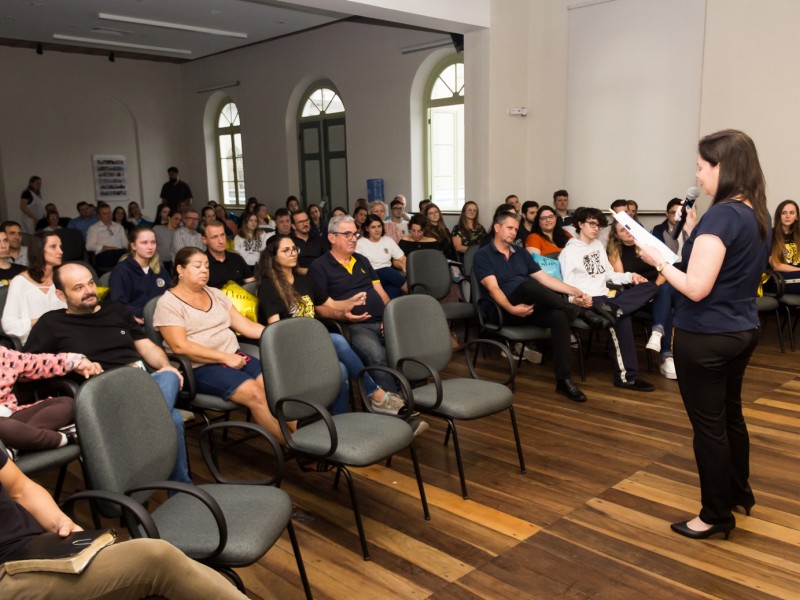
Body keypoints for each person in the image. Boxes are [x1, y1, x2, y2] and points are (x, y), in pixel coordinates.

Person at [637, 129, 771, 540]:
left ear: (722, 167)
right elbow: (722, 268)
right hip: (742, 328)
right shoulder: (755, 212)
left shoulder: (721, 216)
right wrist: (695, 232)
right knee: (731, 417)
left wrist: (658, 261)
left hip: (707, 335)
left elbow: (695, 287)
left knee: (709, 429)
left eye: (701, 167)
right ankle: (737, 493)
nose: (697, 174)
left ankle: (714, 515)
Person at [24, 263, 190, 484]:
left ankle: (135, 424)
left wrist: (165, 365)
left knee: (168, 376)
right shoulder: (51, 323)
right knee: (173, 419)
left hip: (140, 384)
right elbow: (27, 368)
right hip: (102, 395)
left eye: (91, 283)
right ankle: (180, 486)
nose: (89, 291)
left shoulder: (116, 310)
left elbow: (146, 346)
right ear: (61, 295)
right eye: (79, 288)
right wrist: (70, 364)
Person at [0, 455, 249, 599]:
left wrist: (62, 522)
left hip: (37, 547)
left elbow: (20, 487)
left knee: (169, 576)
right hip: (6, 572)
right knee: (156, 559)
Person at [256, 235, 406, 416]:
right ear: (273, 257)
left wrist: (352, 301)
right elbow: (275, 330)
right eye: (286, 250)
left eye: (294, 249)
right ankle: (374, 392)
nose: (293, 253)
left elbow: (333, 304)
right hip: (290, 348)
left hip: (313, 342)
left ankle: (339, 420)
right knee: (337, 339)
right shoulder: (269, 287)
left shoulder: (304, 281)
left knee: (341, 370)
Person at [154, 247, 287, 443]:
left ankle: (302, 440)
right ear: (180, 270)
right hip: (199, 367)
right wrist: (225, 357)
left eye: (207, 266)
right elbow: (180, 347)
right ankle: (292, 446)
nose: (204, 270)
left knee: (276, 387)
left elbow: (247, 326)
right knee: (255, 393)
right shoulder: (168, 303)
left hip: (234, 356)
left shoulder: (215, 294)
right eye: (197, 266)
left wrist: (281, 337)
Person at [473, 211, 609, 402]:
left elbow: (545, 279)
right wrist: (511, 309)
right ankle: (581, 313)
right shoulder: (483, 255)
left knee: (559, 316)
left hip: (528, 307)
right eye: (509, 228)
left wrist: (575, 291)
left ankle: (564, 381)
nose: (513, 232)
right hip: (502, 311)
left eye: (516, 229)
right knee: (528, 285)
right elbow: (493, 289)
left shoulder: (520, 253)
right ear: (497, 227)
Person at [559, 207, 657, 391]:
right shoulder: (569, 252)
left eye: (598, 225)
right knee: (622, 319)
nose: (596, 229)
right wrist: (575, 300)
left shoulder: (597, 245)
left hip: (607, 298)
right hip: (590, 300)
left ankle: (615, 308)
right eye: (592, 224)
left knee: (651, 287)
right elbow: (567, 286)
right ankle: (626, 378)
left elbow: (609, 275)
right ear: (580, 224)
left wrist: (631, 276)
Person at [308, 215, 397, 393]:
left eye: (355, 234)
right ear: (332, 237)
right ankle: (393, 400)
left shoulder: (362, 260)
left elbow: (381, 292)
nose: (353, 239)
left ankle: (413, 392)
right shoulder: (319, 266)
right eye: (347, 234)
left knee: (407, 345)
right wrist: (342, 315)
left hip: (382, 321)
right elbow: (319, 309)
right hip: (354, 326)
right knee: (377, 356)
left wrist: (389, 318)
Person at [607, 222, 676, 379]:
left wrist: (654, 289)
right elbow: (621, 279)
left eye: (629, 228)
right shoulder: (614, 251)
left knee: (664, 292)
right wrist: (649, 291)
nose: (627, 232)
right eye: (622, 230)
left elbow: (663, 270)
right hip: (637, 296)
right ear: (617, 235)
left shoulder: (649, 247)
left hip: (657, 290)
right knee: (665, 303)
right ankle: (666, 354)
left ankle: (658, 334)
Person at [0, 348, 99, 454]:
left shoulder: (3, 355)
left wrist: (76, 362)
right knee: (3, 426)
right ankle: (64, 438)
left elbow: (38, 362)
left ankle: (15, 446)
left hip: (12, 417)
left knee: (66, 403)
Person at [2, 233, 66, 344]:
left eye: (60, 247)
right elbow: (9, 325)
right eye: (53, 246)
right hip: (36, 344)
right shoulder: (20, 282)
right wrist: (43, 321)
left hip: (66, 339)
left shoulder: (64, 278)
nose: (60, 251)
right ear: (39, 250)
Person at [109, 227, 172, 323]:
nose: (150, 247)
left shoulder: (159, 269)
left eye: (153, 242)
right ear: (133, 246)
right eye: (144, 243)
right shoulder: (122, 270)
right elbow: (118, 304)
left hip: (163, 318)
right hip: (137, 321)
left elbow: (171, 295)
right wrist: (137, 316)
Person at [356, 215, 407, 299]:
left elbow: (402, 258)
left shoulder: (388, 240)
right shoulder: (360, 243)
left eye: (379, 226)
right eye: (373, 227)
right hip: (370, 276)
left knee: (395, 290)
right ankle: (414, 291)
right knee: (386, 271)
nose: (377, 230)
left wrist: (404, 266)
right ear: (367, 228)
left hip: (389, 277)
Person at [203, 221, 254, 288]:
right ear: (204, 240)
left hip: (242, 293)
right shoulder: (201, 263)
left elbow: (251, 283)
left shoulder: (236, 258)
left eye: (222, 235)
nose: (221, 241)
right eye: (215, 237)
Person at [767, 200, 800, 292]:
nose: (788, 216)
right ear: (779, 216)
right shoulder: (769, 235)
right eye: (783, 213)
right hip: (777, 279)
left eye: (792, 213)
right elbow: (776, 265)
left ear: (797, 216)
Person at [85, 203, 128, 271]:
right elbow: (89, 246)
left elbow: (125, 244)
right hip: (105, 254)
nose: (108, 216)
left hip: (120, 252)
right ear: (99, 216)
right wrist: (104, 247)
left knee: (128, 257)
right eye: (105, 214)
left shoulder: (119, 227)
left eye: (109, 213)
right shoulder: (93, 228)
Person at [290, 209, 325, 275]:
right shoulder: (289, 241)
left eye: (306, 220)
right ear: (293, 226)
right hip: (297, 276)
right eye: (301, 222)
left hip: (319, 274)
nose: (305, 224)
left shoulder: (318, 239)